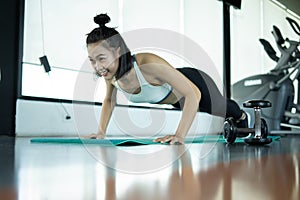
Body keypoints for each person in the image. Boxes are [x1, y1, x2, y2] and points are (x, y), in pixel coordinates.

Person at [86, 13, 247, 144]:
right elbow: (109, 100)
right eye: (92, 60)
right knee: (200, 108)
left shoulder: (148, 65)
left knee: (217, 108)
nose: (98, 66)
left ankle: (242, 116)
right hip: (176, 100)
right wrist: (101, 132)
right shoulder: (110, 74)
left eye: (101, 58)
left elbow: (193, 94)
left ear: (118, 52)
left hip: (194, 82)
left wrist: (179, 135)